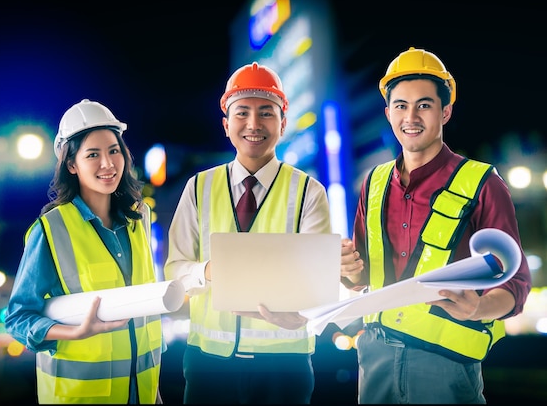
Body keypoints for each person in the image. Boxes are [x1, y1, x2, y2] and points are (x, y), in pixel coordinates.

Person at [340, 47, 533, 404]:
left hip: (446, 366)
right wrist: (347, 271)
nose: (411, 116)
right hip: (375, 357)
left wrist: (478, 308)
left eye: (424, 105)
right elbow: (361, 276)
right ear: (388, 113)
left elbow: (517, 282)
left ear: (445, 111)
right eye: (401, 106)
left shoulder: (482, 183)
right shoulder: (374, 183)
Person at [164, 62, 333, 404]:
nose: (253, 124)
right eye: (242, 113)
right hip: (208, 364)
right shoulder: (198, 188)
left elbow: (319, 284)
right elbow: (175, 270)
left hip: (284, 367)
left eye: (266, 113)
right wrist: (207, 272)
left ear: (283, 124)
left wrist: (306, 311)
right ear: (227, 125)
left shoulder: (309, 192)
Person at [5, 99, 164, 404]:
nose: (108, 164)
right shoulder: (51, 230)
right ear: (72, 164)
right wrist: (73, 332)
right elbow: (17, 318)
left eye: (114, 151)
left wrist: (154, 393)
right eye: (93, 154)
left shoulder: (138, 219)